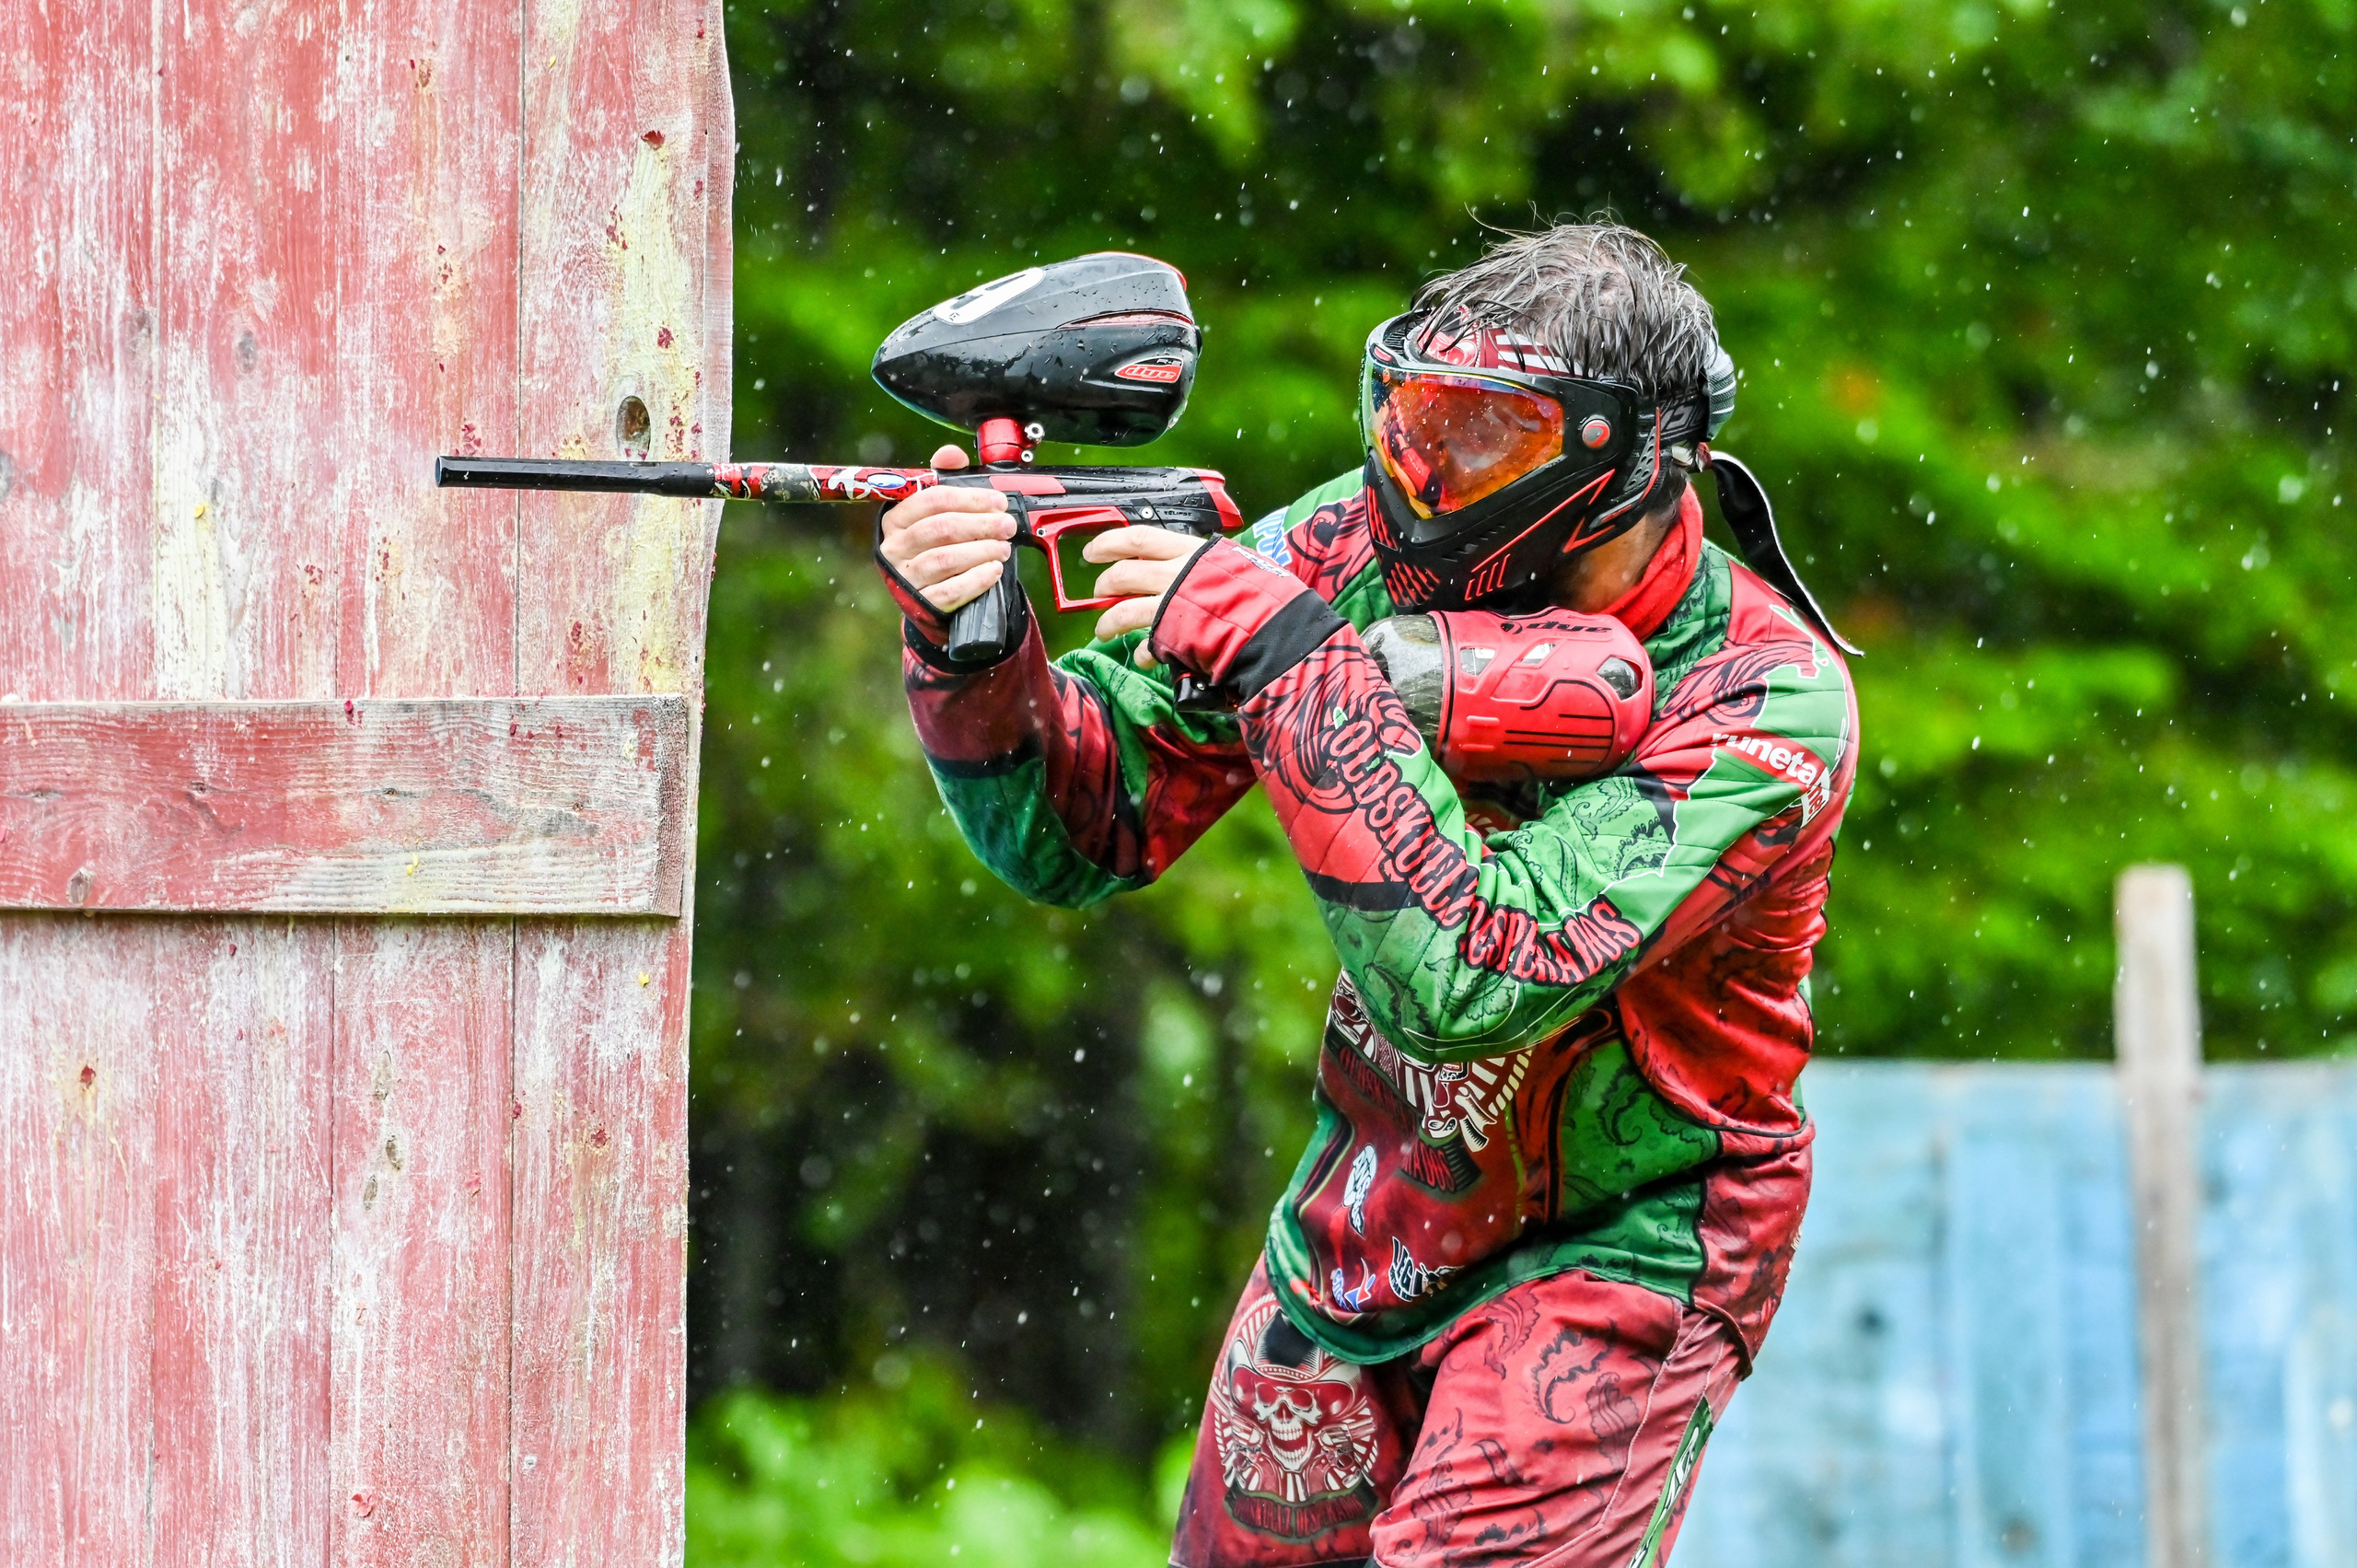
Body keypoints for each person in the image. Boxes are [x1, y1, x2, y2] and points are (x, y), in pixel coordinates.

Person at [870, 223, 1856, 1568]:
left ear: (1624, 458)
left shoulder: (1762, 697)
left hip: (1624, 1249)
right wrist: (969, 637)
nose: (1418, 476)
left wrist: (1287, 658)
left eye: (1479, 437)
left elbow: (1481, 974)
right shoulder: (1358, 544)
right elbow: (1084, 827)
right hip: (1372, 1213)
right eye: (1405, 419)